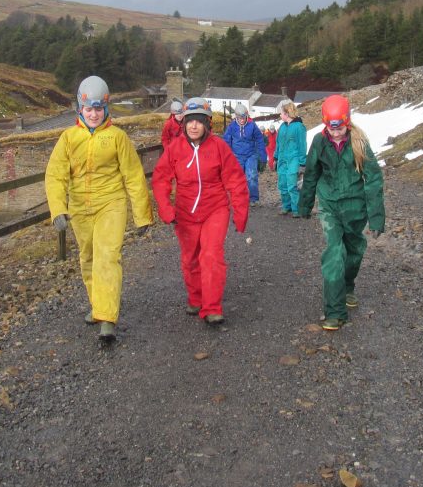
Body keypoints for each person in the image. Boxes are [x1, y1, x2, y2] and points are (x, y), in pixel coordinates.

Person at [45, 75, 154, 342]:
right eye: (88, 109)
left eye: (98, 108)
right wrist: (58, 209)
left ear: (106, 108)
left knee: (107, 256)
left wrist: (142, 216)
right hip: (80, 207)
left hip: (111, 203)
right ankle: (98, 305)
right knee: (88, 258)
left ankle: (107, 319)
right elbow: (55, 175)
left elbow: (133, 176)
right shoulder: (68, 138)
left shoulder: (118, 137)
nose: (93, 114)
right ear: (80, 108)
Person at [152, 96, 249, 325]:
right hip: (185, 212)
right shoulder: (175, 148)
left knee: (211, 255)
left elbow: (235, 180)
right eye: (190, 121)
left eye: (199, 121)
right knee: (190, 259)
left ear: (207, 123)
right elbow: (161, 179)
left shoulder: (219, 147)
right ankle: (196, 298)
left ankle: (212, 307)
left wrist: (240, 212)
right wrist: (166, 209)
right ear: (184, 123)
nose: (194, 126)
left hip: (215, 209)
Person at [297, 95, 385, 331]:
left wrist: (376, 218)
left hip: (356, 208)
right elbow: (311, 174)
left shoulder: (360, 142)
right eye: (331, 128)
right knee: (334, 253)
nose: (335, 133)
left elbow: (373, 179)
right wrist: (305, 204)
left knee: (354, 251)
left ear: (347, 122)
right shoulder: (319, 141)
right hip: (330, 207)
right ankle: (335, 312)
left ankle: (347, 286)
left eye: (340, 128)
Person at [222, 102, 266, 205]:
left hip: (251, 155)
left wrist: (263, 158)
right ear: (236, 117)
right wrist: (227, 157)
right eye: (240, 118)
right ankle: (238, 198)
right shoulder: (232, 127)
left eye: (243, 117)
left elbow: (260, 140)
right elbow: (226, 142)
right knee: (237, 178)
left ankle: (253, 198)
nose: (242, 120)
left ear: (246, 116)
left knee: (252, 176)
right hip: (236, 156)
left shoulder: (252, 126)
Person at [273, 99, 306, 217]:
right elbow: (278, 143)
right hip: (282, 160)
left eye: (281, 113)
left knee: (292, 185)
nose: (280, 115)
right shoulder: (282, 127)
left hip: (294, 160)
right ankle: (286, 206)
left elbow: (302, 145)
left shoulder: (299, 127)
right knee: (282, 184)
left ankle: (296, 209)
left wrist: (302, 163)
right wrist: (275, 158)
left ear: (287, 114)